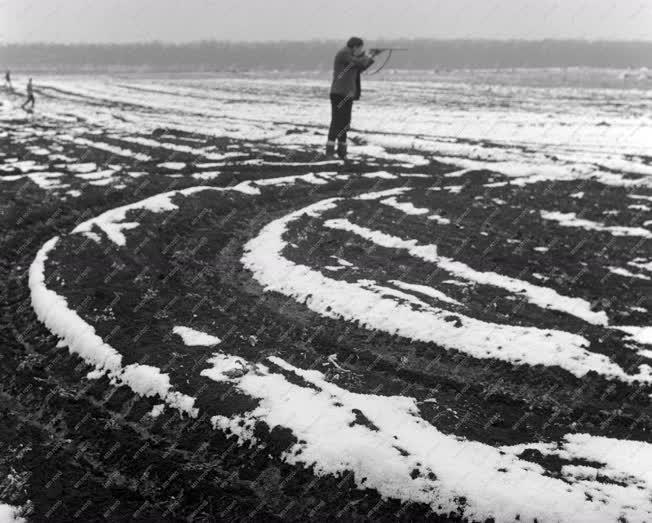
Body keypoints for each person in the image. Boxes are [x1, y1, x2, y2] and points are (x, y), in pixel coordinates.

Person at [326, 37, 383, 160]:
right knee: (336, 122)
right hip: (338, 93)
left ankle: (342, 153)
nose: (361, 50)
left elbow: (362, 67)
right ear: (355, 47)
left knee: (345, 123)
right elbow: (358, 62)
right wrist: (368, 54)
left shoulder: (352, 56)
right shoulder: (344, 54)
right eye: (360, 48)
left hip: (348, 94)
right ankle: (329, 153)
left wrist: (372, 57)